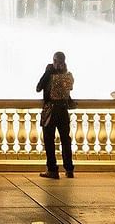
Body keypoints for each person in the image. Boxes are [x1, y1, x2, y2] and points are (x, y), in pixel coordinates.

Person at [36, 51, 75, 179]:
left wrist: (48, 71)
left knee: (49, 141)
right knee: (65, 140)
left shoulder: (50, 74)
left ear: (54, 61)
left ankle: (52, 170)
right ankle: (69, 169)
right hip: (63, 110)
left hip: (50, 111)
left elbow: (38, 87)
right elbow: (68, 92)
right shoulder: (68, 75)